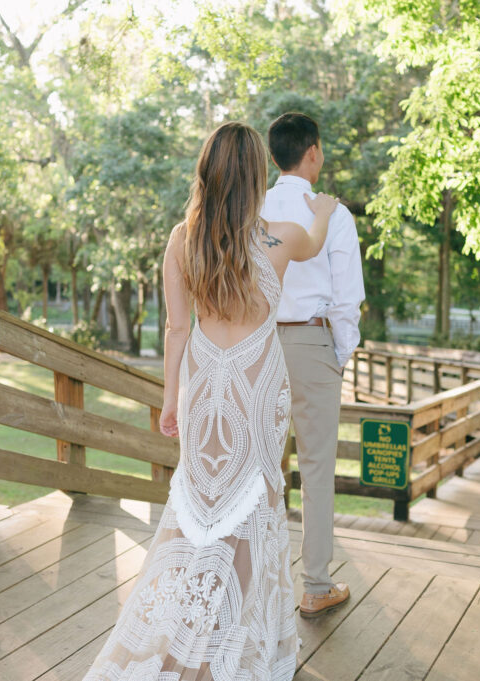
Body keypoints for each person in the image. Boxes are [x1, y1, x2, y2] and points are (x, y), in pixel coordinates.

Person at [83, 121, 340, 680]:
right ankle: (228, 645)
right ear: (254, 177)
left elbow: (177, 329)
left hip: (204, 388)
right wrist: (323, 205)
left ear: (207, 173)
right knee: (253, 510)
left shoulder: (183, 238)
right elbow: (318, 241)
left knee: (196, 513)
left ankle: (188, 639)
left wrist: (170, 398)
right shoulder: (279, 236)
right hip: (256, 391)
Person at [260, 112, 365, 619]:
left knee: (258, 465)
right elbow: (347, 300)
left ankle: (254, 579)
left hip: (257, 346)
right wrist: (337, 355)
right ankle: (316, 585)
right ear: (314, 152)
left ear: (273, 155)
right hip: (311, 343)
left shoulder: (251, 209)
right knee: (317, 468)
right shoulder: (332, 213)